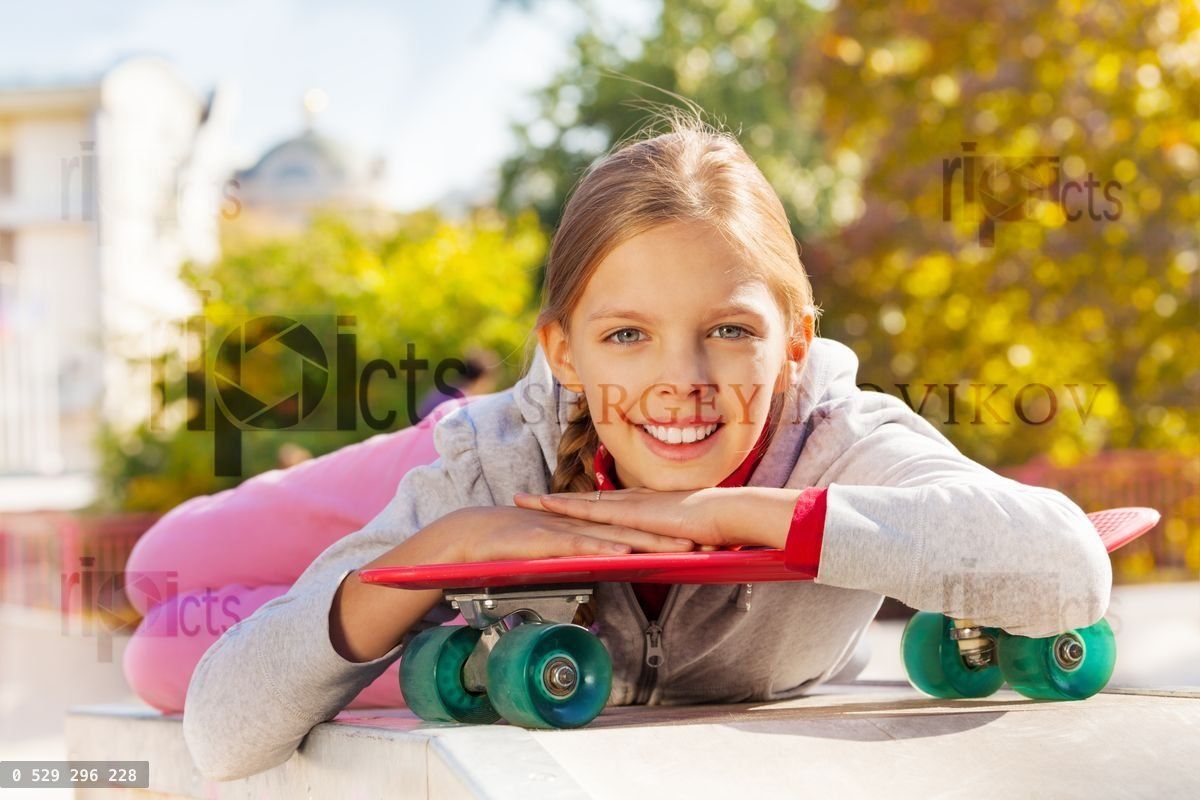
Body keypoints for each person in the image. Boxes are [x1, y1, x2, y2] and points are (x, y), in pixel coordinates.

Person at [131, 109, 1110, 781]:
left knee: (160, 656)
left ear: (796, 342)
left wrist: (742, 515)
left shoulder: (834, 434)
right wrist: (444, 551)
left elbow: (1063, 567)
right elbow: (223, 734)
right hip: (491, 465)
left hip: (555, 511)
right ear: (563, 347)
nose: (681, 377)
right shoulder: (490, 461)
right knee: (167, 568)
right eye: (628, 333)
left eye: (729, 330)